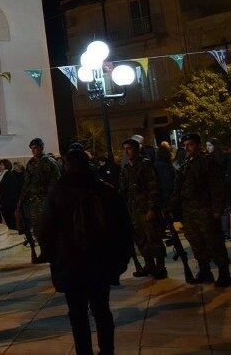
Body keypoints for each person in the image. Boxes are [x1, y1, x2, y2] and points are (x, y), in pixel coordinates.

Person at [41, 148, 132, 355]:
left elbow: (46, 231)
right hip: (99, 262)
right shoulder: (105, 190)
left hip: (71, 263)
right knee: (101, 310)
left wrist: (55, 260)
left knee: (78, 314)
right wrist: (120, 260)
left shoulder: (58, 192)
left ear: (67, 166)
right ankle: (107, 350)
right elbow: (124, 229)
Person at [169, 133, 230, 286]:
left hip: (205, 208)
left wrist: (217, 210)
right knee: (196, 242)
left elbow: (217, 187)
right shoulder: (186, 163)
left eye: (190, 144)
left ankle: (224, 274)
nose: (186, 148)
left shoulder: (207, 161)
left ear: (197, 145)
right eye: (185, 145)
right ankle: (205, 271)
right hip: (189, 210)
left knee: (213, 242)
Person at [119, 138, 166, 279]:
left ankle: (160, 266)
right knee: (141, 240)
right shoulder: (126, 167)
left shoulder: (145, 165)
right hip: (133, 210)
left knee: (154, 238)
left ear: (137, 149)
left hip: (146, 208)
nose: (127, 152)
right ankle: (148, 264)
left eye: (129, 148)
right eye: (125, 149)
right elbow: (124, 191)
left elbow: (153, 188)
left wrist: (152, 208)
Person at [17, 137, 60, 262]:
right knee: (37, 229)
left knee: (50, 227)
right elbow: (26, 183)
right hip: (34, 202)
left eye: (35, 148)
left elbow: (55, 182)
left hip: (47, 200)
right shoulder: (30, 163)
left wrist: (52, 199)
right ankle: (44, 252)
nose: (33, 151)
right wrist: (21, 200)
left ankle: (54, 251)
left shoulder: (50, 162)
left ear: (41, 148)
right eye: (32, 149)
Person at [0, 159, 19, 229]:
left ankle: (14, 232)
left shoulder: (9, 175)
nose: (0, 166)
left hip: (9, 202)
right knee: (7, 217)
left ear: (6, 165)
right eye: (0, 164)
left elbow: (13, 189)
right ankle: (12, 230)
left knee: (11, 219)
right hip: (2, 201)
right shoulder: (0, 174)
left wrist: (11, 201)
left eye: (2, 164)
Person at [154, 142, 176, 207]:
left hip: (161, 196)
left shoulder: (157, 163)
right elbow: (167, 183)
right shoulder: (165, 165)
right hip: (166, 196)